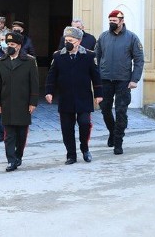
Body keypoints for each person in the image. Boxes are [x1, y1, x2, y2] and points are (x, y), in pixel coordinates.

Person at [45, 27, 103, 164]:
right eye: (66, 40)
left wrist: (98, 94)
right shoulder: (58, 56)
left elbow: (96, 76)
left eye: (70, 40)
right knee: (67, 128)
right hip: (66, 98)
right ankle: (71, 154)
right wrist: (49, 91)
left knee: (84, 123)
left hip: (83, 97)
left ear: (79, 41)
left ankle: (85, 148)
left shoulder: (89, 55)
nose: (67, 43)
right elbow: (51, 75)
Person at [95, 9, 144, 155]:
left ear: (122, 21)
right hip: (105, 79)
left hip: (123, 81)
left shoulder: (132, 38)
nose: (111, 23)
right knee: (105, 109)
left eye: (114, 21)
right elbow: (96, 58)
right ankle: (112, 131)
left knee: (121, 111)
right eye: (110, 21)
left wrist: (134, 79)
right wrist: (96, 77)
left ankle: (118, 141)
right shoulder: (103, 37)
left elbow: (139, 60)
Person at [0, 31, 39, 172]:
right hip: (7, 103)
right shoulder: (1, 62)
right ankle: (11, 160)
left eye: (12, 44)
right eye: (8, 44)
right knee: (9, 134)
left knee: (21, 134)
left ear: (19, 46)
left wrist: (33, 102)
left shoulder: (29, 61)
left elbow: (34, 84)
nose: (9, 46)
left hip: (23, 103)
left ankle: (18, 155)